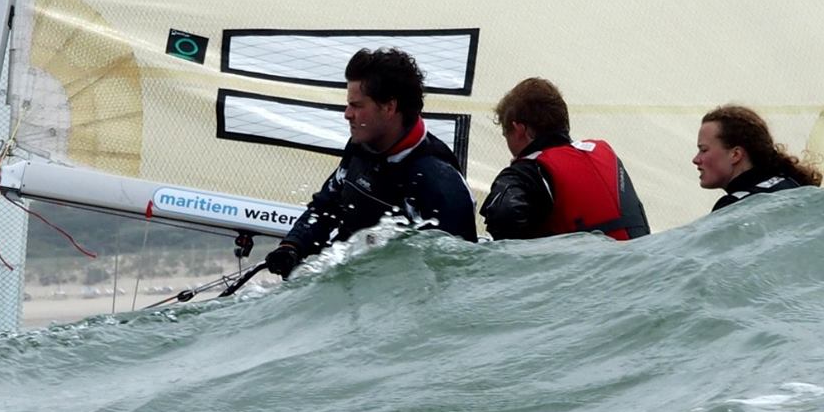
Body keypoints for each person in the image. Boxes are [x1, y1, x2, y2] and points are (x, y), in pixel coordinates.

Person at [263, 48, 478, 276]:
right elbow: (327, 207)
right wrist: (293, 246)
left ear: (389, 107)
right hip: (346, 285)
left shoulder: (437, 179)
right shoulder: (361, 145)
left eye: (356, 105)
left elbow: (456, 276)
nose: (347, 114)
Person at [478, 77, 649, 241]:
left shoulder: (526, 172)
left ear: (519, 129)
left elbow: (503, 215)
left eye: (505, 133)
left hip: (585, 267)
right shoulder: (604, 153)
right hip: (640, 261)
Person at [695, 105, 823, 210]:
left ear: (735, 155)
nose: (696, 159)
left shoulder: (732, 206)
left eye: (703, 150)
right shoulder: (791, 183)